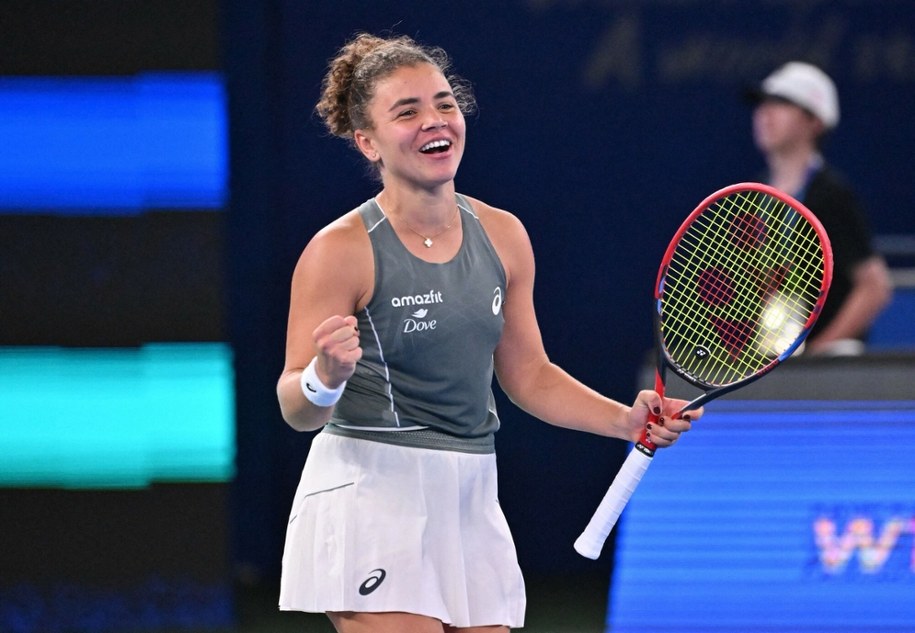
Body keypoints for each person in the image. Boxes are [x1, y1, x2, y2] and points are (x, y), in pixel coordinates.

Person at [275, 33, 697, 633]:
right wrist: (324, 377)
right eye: (407, 111)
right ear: (366, 141)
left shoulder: (504, 236)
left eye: (444, 103)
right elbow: (295, 407)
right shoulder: (338, 252)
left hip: (470, 492)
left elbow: (527, 373)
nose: (434, 121)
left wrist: (625, 421)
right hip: (371, 491)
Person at [746, 61, 893, 355]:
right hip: (771, 360)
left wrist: (817, 353)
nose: (765, 113)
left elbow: (875, 287)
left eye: (783, 103)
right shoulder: (754, 195)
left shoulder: (831, 195)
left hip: (829, 368)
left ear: (815, 122)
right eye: (763, 103)